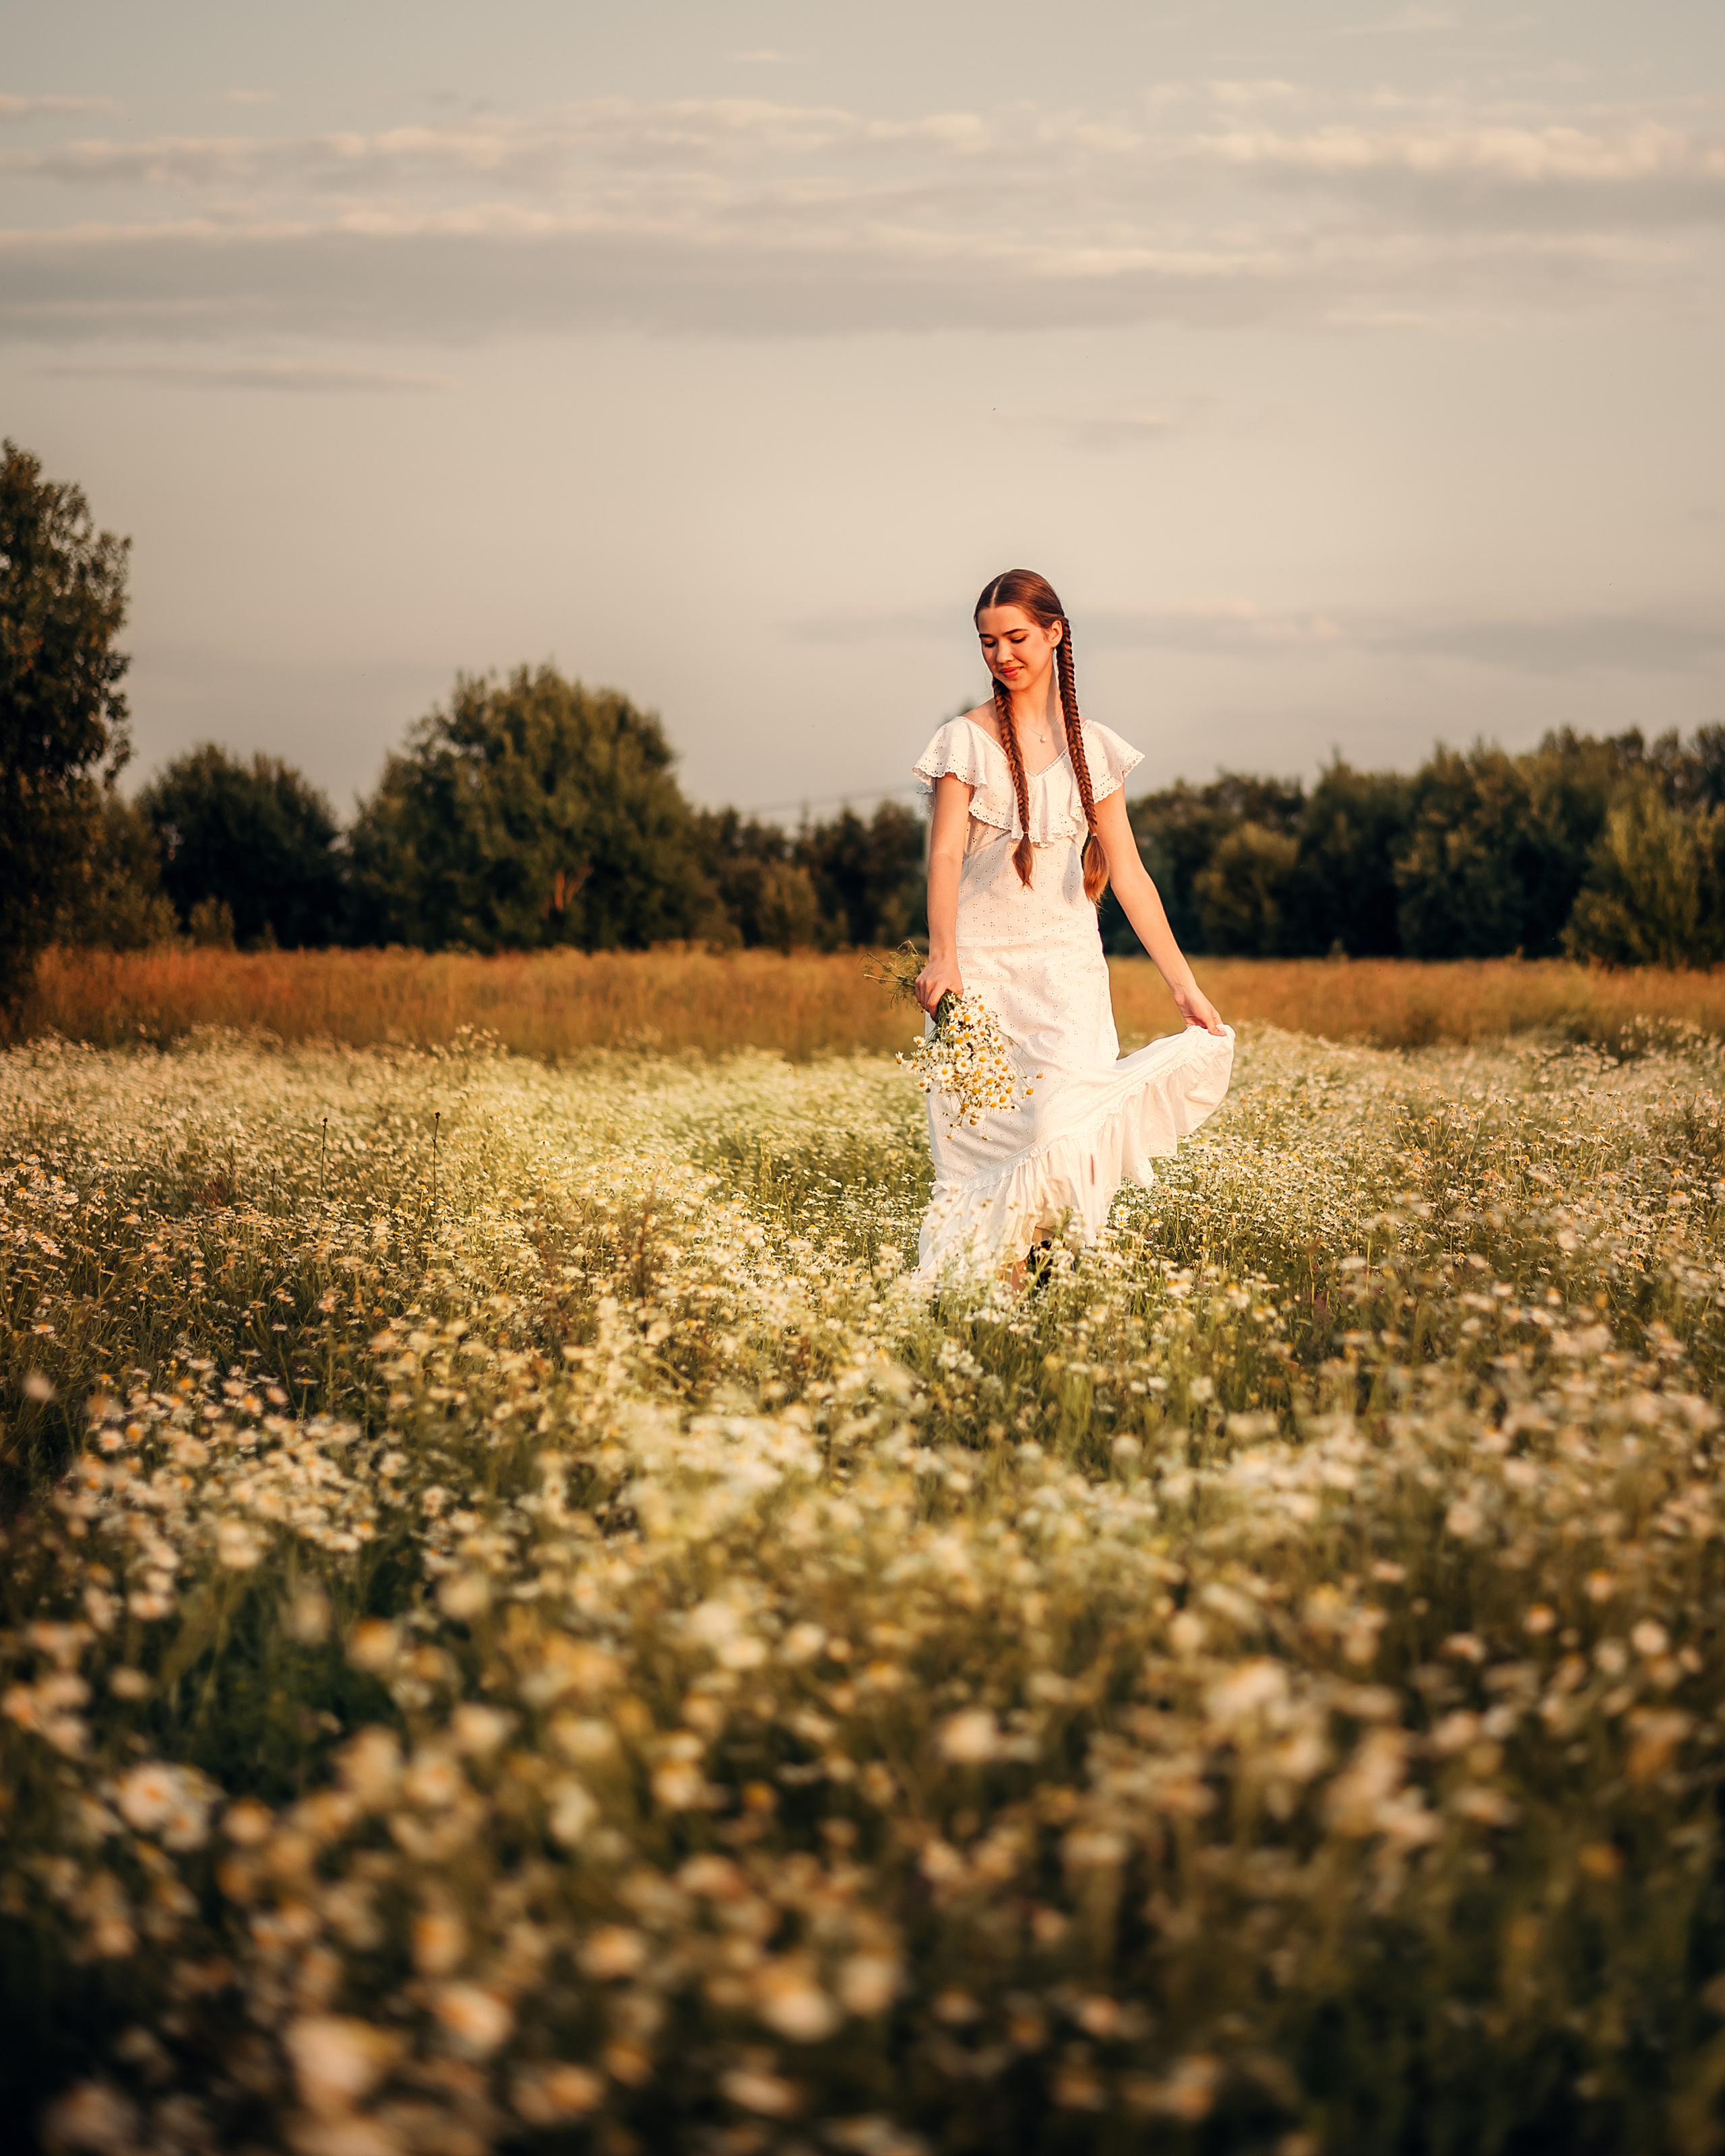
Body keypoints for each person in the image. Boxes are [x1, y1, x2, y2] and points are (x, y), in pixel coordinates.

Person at [910, 568, 1234, 1285]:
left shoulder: (1097, 751)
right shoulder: (963, 743)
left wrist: (1184, 988)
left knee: (1061, 1135)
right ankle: (985, 1309)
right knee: (983, 1157)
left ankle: (1033, 1295)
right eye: (988, 643)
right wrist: (943, 959)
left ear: (1056, 634)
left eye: (1016, 638)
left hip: (1067, 980)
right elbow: (941, 854)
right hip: (983, 979)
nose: (1002, 656)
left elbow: (1130, 874)